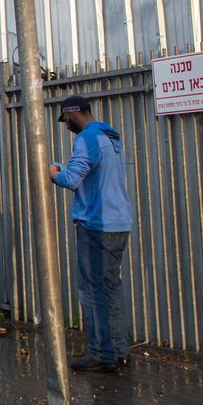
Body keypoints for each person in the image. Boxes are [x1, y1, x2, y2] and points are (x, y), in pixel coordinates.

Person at [49, 94, 133, 374]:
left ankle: (100, 353)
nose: (66, 125)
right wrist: (65, 168)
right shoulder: (110, 136)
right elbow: (95, 175)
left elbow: (72, 180)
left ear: (73, 113)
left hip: (96, 224)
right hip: (119, 222)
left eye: (65, 119)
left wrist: (53, 173)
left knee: (91, 289)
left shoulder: (86, 138)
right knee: (111, 286)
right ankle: (119, 350)